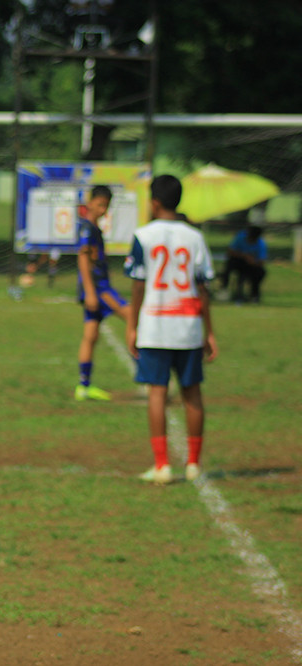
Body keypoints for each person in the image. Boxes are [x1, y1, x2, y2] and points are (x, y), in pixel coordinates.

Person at [124, 174, 218, 485]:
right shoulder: (195, 237)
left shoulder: (143, 235)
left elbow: (138, 285)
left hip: (155, 325)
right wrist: (210, 331)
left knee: (156, 393)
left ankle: (162, 464)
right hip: (188, 326)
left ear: (154, 202)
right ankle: (193, 463)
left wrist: (132, 324)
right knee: (193, 393)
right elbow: (203, 289)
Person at [75, 184, 131, 401]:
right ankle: (146, 374)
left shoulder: (93, 228)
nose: (102, 210)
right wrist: (89, 292)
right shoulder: (88, 229)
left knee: (90, 336)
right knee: (132, 318)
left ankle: (84, 386)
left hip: (97, 288)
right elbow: (83, 259)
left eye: (105, 206)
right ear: (90, 203)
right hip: (99, 289)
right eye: (99, 205)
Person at [219, 223, 267, 303]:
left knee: (260, 272)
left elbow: (261, 261)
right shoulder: (240, 238)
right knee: (229, 266)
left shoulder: (260, 244)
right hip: (238, 261)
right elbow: (230, 251)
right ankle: (224, 289)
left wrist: (253, 262)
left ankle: (254, 295)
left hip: (250, 265)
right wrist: (244, 256)